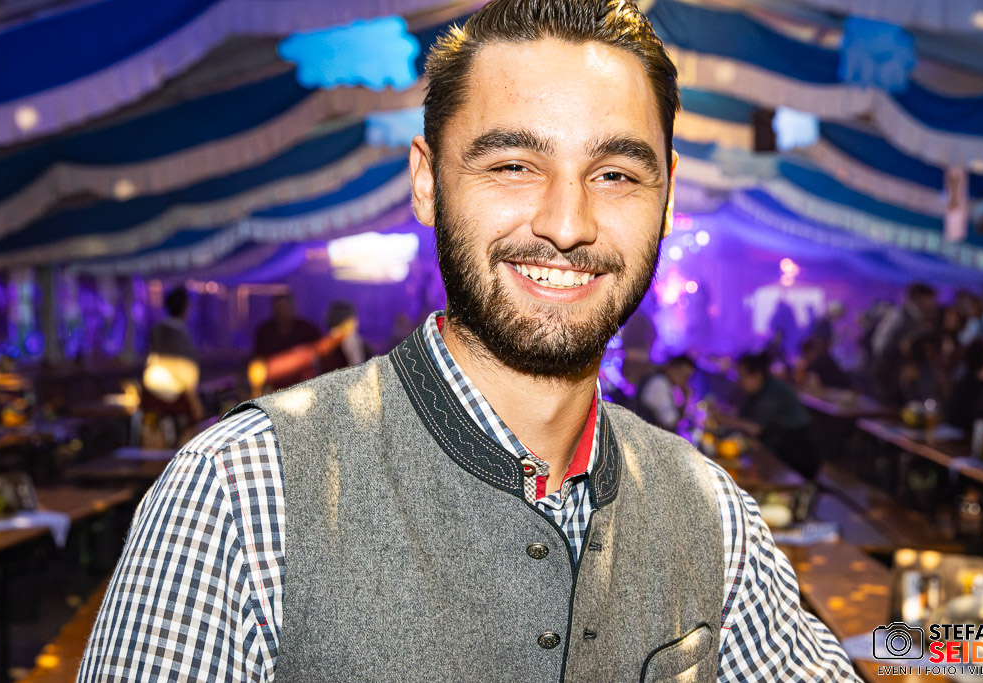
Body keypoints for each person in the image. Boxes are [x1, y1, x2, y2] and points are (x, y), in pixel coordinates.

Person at [78, 2, 858, 681]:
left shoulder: (710, 511)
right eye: (514, 164)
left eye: (616, 174)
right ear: (427, 182)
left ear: (667, 196)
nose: (567, 223)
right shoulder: (240, 490)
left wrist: (929, 643)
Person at [719, 351, 821, 482]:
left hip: (795, 456)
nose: (740, 381)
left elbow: (756, 428)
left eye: (742, 376)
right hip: (780, 452)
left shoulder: (772, 392)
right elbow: (744, 415)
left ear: (757, 375)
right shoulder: (761, 389)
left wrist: (725, 420)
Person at [140, 286, 202, 446]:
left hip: (152, 394)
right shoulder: (178, 333)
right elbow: (182, 369)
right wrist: (194, 401)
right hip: (174, 397)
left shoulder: (159, 329)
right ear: (185, 307)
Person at [870, 282, 937, 403]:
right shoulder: (899, 314)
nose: (932, 303)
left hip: (904, 377)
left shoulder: (919, 318)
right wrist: (901, 358)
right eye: (930, 299)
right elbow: (881, 345)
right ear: (919, 298)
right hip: (890, 375)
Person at [252, 293, 321, 388]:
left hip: (302, 385)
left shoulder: (308, 330)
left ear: (292, 307)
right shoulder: (265, 331)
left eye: (284, 307)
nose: (281, 312)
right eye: (278, 308)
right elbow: (258, 359)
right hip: (272, 385)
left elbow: (318, 357)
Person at [634, 354, 696, 431]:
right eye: (684, 375)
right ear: (672, 367)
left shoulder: (661, 381)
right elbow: (670, 421)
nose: (684, 380)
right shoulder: (660, 384)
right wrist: (686, 399)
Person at [318, 300, 373, 373]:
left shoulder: (326, 340)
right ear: (347, 320)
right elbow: (357, 368)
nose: (356, 321)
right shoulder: (349, 338)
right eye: (353, 318)